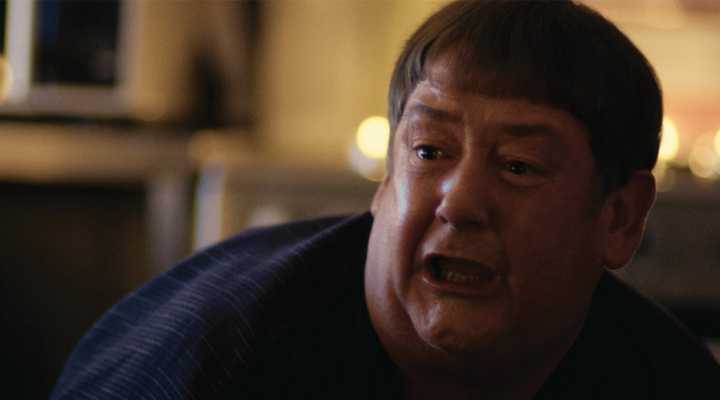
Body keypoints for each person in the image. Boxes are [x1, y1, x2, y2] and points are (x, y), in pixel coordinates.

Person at [52, 1, 720, 399]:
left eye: (519, 165)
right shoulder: (220, 366)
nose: (460, 201)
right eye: (429, 152)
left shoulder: (665, 380)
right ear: (385, 183)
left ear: (619, 217)